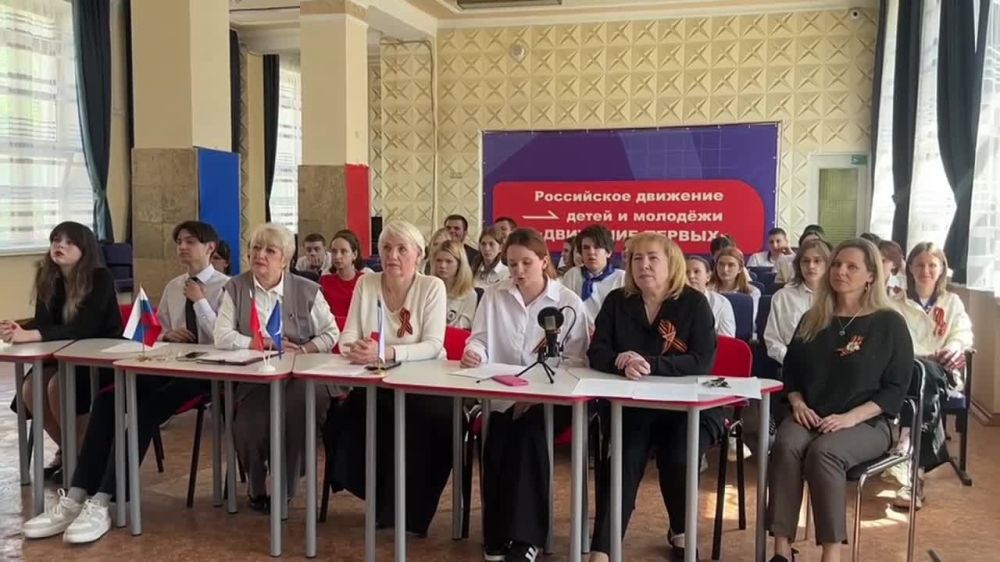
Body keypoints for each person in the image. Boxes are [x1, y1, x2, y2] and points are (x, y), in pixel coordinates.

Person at [21, 221, 229, 543]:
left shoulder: (228, 287)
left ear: (210, 248)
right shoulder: (174, 286)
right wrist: (168, 335)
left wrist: (200, 301)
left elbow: (226, 339)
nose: (182, 247)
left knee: (146, 409)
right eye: (179, 242)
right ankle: (76, 495)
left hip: (207, 371)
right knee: (110, 397)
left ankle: (103, 500)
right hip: (170, 363)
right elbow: (158, 331)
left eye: (190, 241)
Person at [767, 239, 913, 562]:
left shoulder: (890, 324)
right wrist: (797, 403)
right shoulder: (813, 318)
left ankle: (831, 554)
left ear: (871, 276)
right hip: (811, 414)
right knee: (786, 445)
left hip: (868, 422)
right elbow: (791, 371)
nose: (840, 271)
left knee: (824, 453)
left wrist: (850, 418)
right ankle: (781, 550)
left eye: (851, 267)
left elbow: (895, 389)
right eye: (836, 264)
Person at [588, 233, 721, 561]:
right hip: (633, 406)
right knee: (623, 457)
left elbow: (702, 360)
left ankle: (681, 530)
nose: (643, 265)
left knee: (678, 454)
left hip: (687, 408)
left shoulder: (693, 303)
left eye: (652, 258)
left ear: (671, 264)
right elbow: (597, 351)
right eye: (636, 258)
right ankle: (603, 547)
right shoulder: (617, 301)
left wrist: (648, 364)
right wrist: (620, 362)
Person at [461, 228, 590, 562]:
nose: (518, 271)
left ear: (544, 261)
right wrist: (474, 352)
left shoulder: (568, 303)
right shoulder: (494, 295)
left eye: (526, 263)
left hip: (553, 399)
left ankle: (526, 538)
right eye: (512, 263)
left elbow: (577, 362)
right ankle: (496, 533)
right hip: (504, 394)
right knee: (498, 436)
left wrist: (537, 395)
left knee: (529, 435)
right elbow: (480, 339)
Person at [331, 220, 450, 536]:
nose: (392, 255)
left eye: (401, 249)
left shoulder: (432, 287)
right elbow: (347, 337)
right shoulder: (366, 283)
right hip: (377, 380)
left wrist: (388, 352)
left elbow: (433, 345)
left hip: (425, 384)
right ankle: (381, 502)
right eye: (386, 248)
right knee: (352, 415)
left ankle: (410, 513)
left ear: (419, 255)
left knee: (428, 423)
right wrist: (356, 349)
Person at [214, 222, 340, 512]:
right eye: (256, 248)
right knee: (249, 423)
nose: (260, 255)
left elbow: (331, 334)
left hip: (303, 374)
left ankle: (285, 486)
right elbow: (222, 336)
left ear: (285, 259)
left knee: (296, 412)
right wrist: (260, 343)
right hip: (257, 373)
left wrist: (305, 349)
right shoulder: (235, 287)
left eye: (270, 250)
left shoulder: (308, 290)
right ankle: (256, 483)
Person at [1, 222, 122, 482]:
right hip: (62, 355)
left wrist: (33, 334)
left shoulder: (100, 277)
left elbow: (85, 328)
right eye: (56, 240)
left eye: (69, 242)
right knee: (31, 387)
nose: (60, 246)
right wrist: (18, 329)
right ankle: (73, 453)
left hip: (99, 358)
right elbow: (44, 323)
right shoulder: (48, 277)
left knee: (58, 386)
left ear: (84, 249)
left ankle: (82, 460)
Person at [887, 242, 974, 509]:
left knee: (925, 374)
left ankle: (906, 442)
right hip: (907, 371)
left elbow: (963, 333)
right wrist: (920, 358)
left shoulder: (952, 302)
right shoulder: (895, 303)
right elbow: (891, 342)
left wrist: (954, 346)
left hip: (942, 372)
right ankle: (916, 476)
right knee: (919, 372)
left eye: (932, 265)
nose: (926, 271)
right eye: (920, 265)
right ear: (910, 268)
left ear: (942, 270)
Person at [764, 239, 831, 364]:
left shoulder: (837, 297)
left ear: (828, 265)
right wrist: (793, 362)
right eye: (805, 261)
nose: (811, 266)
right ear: (798, 265)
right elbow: (773, 341)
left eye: (817, 261)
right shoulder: (782, 297)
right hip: (791, 364)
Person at [560, 225, 626, 329]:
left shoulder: (622, 277)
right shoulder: (573, 275)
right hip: (578, 333)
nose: (591, 252)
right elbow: (564, 311)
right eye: (586, 248)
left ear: (608, 252)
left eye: (597, 247)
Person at [320, 229, 370, 325]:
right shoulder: (324, 281)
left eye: (343, 251)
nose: (337, 256)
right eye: (334, 251)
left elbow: (367, 317)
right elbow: (321, 316)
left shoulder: (364, 281)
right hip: (331, 331)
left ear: (354, 255)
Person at [710, 246, 762, 327]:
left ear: (740, 269)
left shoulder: (752, 292)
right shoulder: (707, 291)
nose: (725, 269)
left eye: (731, 265)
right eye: (721, 264)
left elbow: (749, 321)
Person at [685, 255, 735, 337]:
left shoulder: (722, 303)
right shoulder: (673, 302)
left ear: (708, 277)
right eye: (686, 272)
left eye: (696, 271)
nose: (691, 276)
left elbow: (727, 339)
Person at [433, 240, 478, 330]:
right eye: (438, 260)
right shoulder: (430, 288)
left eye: (448, 261)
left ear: (459, 265)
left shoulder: (469, 295)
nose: (442, 265)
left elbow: (462, 327)